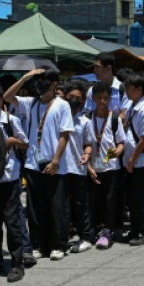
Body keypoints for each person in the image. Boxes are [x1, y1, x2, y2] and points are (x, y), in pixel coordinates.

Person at [4, 69, 73, 261]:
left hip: (54, 164)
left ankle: (57, 244)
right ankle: (39, 245)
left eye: (43, 81)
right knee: (35, 208)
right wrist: (25, 77)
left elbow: (64, 135)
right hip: (34, 163)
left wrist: (56, 160)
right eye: (37, 81)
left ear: (54, 84)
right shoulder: (32, 103)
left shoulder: (62, 105)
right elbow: (7, 96)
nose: (39, 84)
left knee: (56, 207)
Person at [0, 82, 29, 282]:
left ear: (2, 102)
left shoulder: (11, 120)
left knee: (12, 222)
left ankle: (17, 263)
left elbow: (25, 144)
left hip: (8, 178)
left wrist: (12, 141)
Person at [86, 81, 126, 249]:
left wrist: (118, 151)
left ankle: (108, 230)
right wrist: (88, 167)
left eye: (105, 98)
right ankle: (93, 229)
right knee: (92, 201)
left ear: (110, 99)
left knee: (109, 201)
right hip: (92, 167)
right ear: (93, 98)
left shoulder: (114, 118)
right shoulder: (88, 118)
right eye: (99, 98)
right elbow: (83, 145)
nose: (102, 101)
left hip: (111, 167)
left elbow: (121, 142)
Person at [121, 73, 144, 245]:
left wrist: (131, 160)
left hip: (139, 161)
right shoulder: (132, 107)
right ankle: (134, 230)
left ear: (139, 89)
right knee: (132, 199)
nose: (126, 91)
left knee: (139, 199)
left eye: (129, 88)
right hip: (131, 159)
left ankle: (141, 232)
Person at [61, 81, 96, 253]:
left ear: (83, 102)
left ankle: (86, 237)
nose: (74, 101)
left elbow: (89, 143)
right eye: (71, 97)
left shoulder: (84, 122)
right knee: (63, 205)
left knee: (80, 204)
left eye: (78, 98)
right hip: (59, 168)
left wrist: (87, 155)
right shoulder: (57, 118)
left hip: (77, 168)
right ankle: (63, 237)